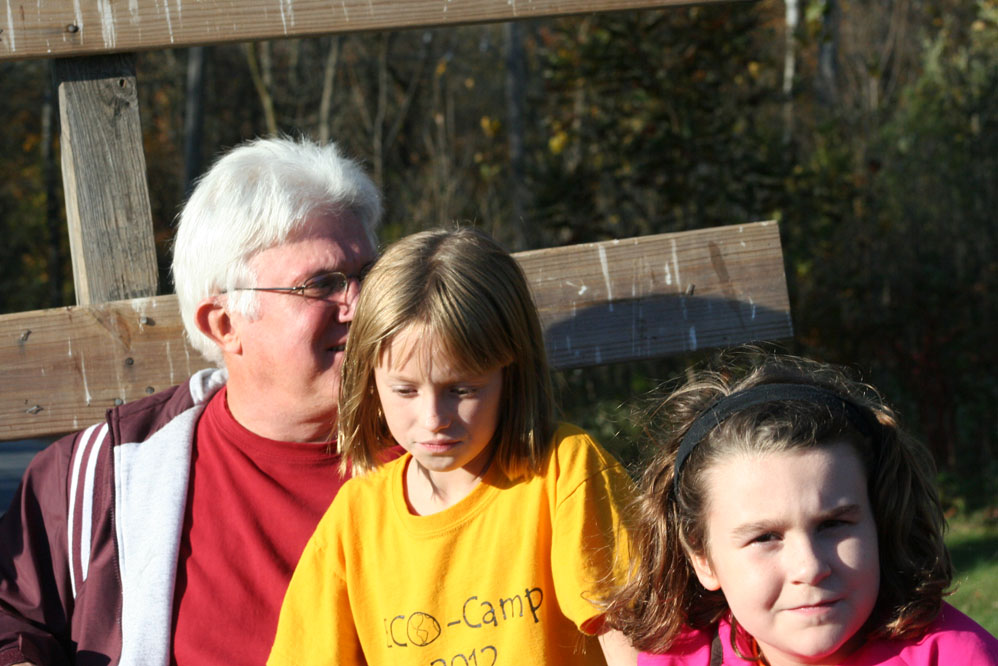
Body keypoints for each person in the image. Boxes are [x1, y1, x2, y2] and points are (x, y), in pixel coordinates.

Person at [0, 136, 382, 666]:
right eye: (323, 284)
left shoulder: (454, 446)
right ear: (224, 325)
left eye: (370, 275)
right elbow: (14, 622)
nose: (362, 306)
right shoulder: (103, 477)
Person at [267, 227, 639, 666]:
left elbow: (636, 643)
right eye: (405, 391)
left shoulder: (563, 474)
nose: (433, 419)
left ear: (510, 371)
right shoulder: (355, 519)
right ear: (370, 382)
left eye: (461, 390)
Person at [602, 353, 998, 666]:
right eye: (765, 537)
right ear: (703, 558)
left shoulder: (955, 657)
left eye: (833, 524)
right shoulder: (682, 658)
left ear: (881, 520)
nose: (809, 567)